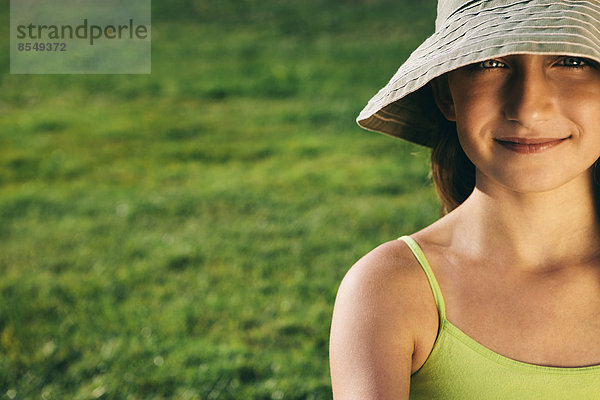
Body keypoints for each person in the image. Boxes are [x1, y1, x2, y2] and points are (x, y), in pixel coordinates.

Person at [329, 0, 600, 398]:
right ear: (446, 95)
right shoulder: (392, 290)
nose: (528, 108)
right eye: (489, 62)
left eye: (572, 61)